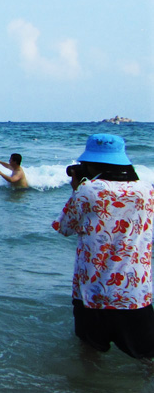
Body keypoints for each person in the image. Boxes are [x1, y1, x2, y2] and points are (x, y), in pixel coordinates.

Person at [52, 134, 154, 359]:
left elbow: (64, 227)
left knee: (90, 354)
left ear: (90, 163)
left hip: (93, 292)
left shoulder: (88, 191)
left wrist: (76, 188)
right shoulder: (147, 190)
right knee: (147, 357)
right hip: (135, 293)